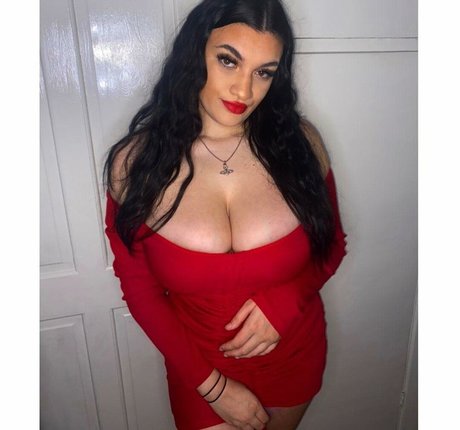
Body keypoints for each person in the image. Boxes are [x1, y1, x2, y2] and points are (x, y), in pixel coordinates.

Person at [103, 0, 347, 429]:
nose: (244, 91)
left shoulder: (301, 144)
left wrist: (288, 300)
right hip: (200, 372)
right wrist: (213, 387)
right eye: (228, 61)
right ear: (195, 52)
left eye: (264, 72)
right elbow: (140, 291)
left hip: (295, 356)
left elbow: (332, 245)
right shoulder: (135, 164)